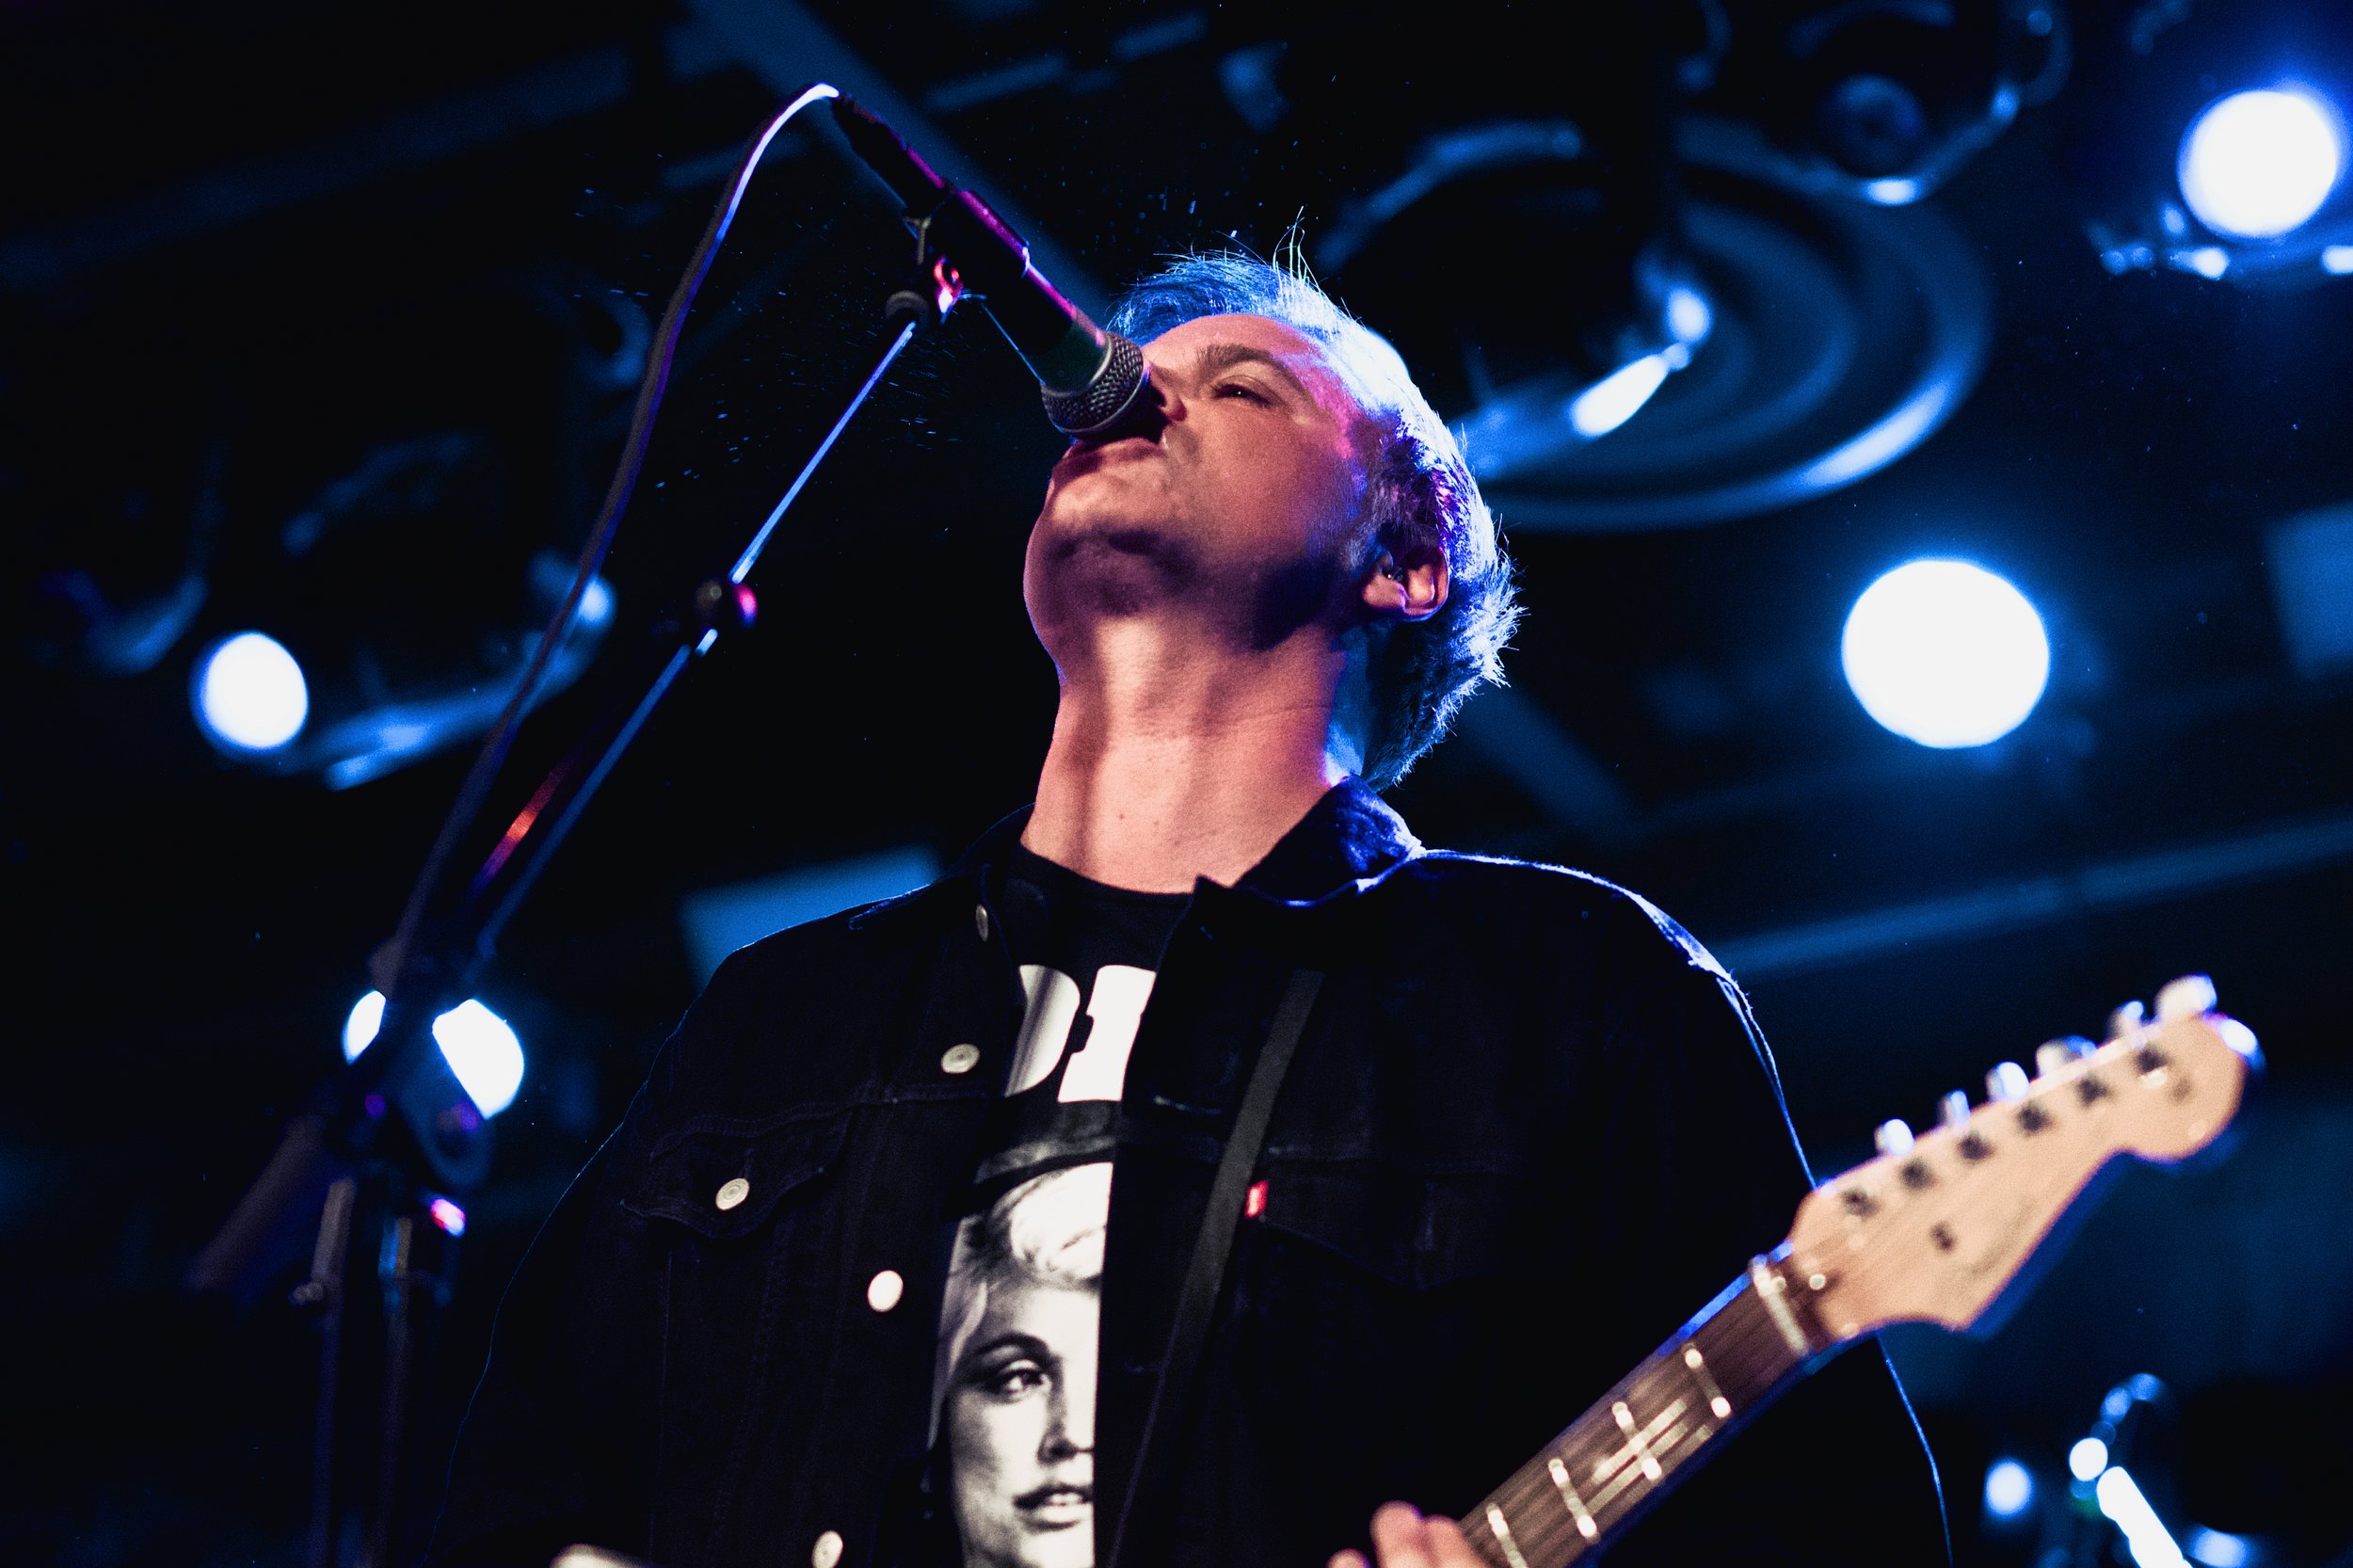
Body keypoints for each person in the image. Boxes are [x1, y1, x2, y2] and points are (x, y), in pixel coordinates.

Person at [428, 251, 1949, 1568]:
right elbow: (522, 1505)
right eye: (1128, 380)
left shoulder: (1572, 998)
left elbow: (1828, 1533)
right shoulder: (778, 1023)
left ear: (1407, 556)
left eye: (1239, 389)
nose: (1129, 399)